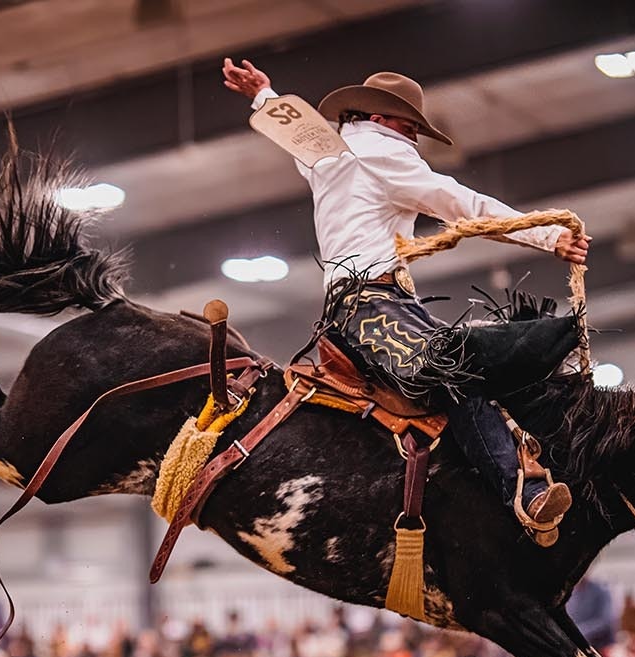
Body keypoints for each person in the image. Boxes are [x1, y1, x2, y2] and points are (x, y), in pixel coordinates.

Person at [222, 59, 591, 544]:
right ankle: (519, 491)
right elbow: (462, 204)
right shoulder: (386, 154)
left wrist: (263, 94)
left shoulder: (325, 153)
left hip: (354, 308)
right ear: (380, 119)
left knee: (460, 361)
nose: (413, 136)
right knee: (456, 367)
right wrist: (548, 237)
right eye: (409, 125)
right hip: (372, 305)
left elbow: (293, 133)